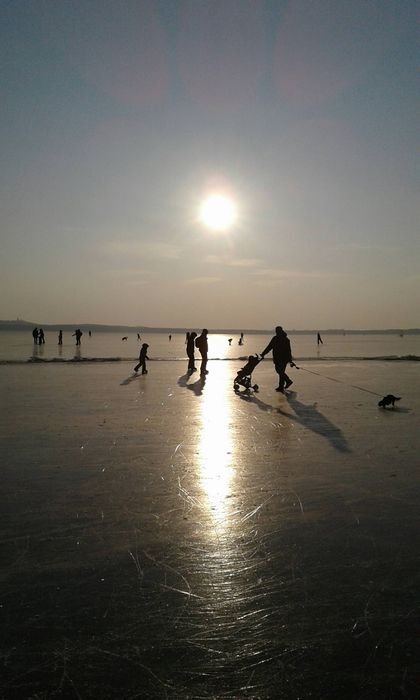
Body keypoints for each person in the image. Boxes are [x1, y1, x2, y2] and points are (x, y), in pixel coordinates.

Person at [260, 326, 294, 393]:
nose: (276, 332)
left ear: (279, 331)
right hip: (278, 358)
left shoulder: (285, 339)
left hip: (283, 359)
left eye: (277, 331)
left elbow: (288, 351)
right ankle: (287, 381)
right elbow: (269, 347)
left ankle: (282, 386)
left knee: (280, 371)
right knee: (279, 371)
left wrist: (290, 360)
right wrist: (263, 354)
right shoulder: (277, 338)